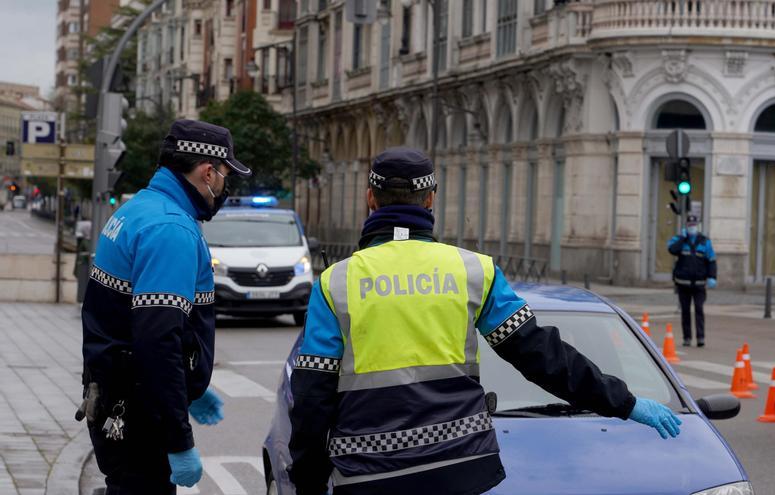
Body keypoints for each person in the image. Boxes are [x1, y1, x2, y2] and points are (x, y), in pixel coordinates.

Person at [287, 147, 682, 495]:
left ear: (369, 198)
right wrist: (624, 402)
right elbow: (543, 356)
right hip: (458, 468)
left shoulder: (335, 283)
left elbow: (311, 398)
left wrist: (308, 481)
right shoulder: (474, 272)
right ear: (431, 200)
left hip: (369, 475)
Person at [79, 119, 252, 494]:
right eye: (224, 174)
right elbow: (157, 342)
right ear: (208, 172)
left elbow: (128, 319)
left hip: (119, 397)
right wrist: (178, 439)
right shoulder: (170, 229)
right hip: (140, 415)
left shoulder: (140, 209)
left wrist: (191, 385)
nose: (224, 184)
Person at [667, 215, 717, 347]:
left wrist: (712, 277)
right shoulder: (679, 239)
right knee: (685, 311)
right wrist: (683, 238)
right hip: (683, 283)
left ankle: (700, 337)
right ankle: (687, 338)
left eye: (694, 225)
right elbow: (672, 250)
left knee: (699, 310)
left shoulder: (704, 241)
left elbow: (711, 260)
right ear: (686, 226)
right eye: (689, 225)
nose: (692, 227)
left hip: (699, 284)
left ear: (698, 225)